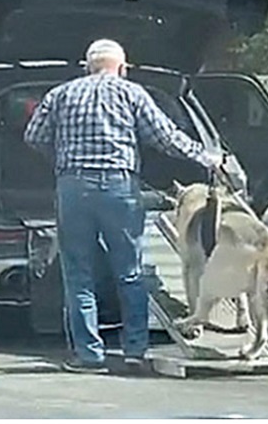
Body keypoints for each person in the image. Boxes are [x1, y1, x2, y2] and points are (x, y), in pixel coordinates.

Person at [24, 39, 222, 374]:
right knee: (130, 271)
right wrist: (208, 157)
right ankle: (135, 351)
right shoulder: (132, 94)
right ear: (123, 66)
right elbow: (166, 137)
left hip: (73, 188)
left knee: (78, 275)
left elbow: (33, 135)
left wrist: (61, 158)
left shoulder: (61, 94)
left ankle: (89, 357)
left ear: (87, 66)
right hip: (120, 187)